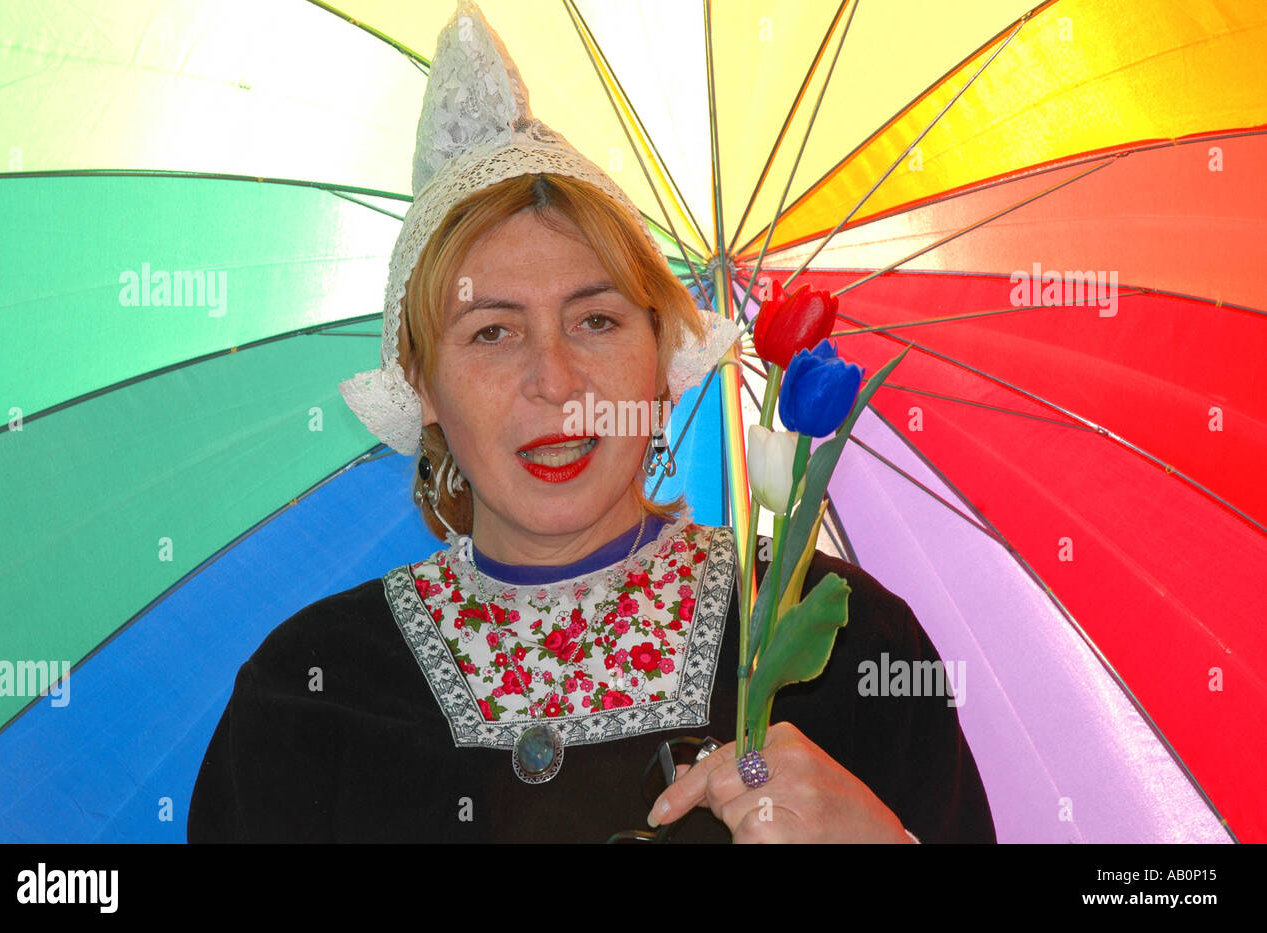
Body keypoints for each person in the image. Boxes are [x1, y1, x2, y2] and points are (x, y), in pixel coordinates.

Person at [187, 0, 995, 844]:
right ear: (423, 385)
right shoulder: (311, 692)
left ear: (659, 354)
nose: (556, 382)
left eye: (596, 320)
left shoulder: (841, 642)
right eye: (492, 332)